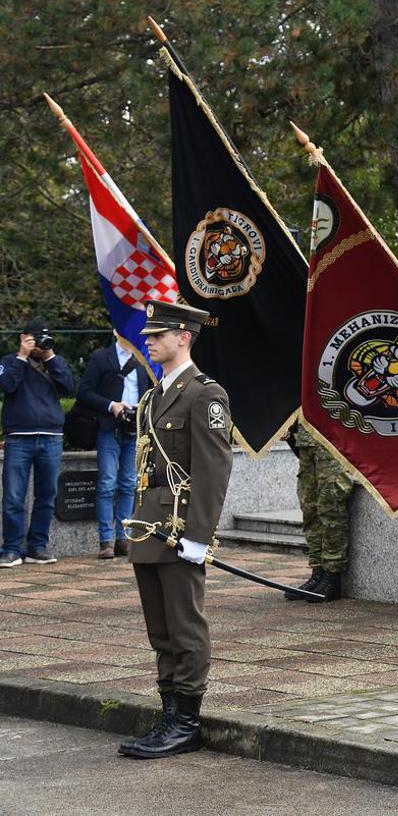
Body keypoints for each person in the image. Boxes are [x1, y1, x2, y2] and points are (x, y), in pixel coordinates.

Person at [116, 300, 232, 759]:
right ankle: (169, 715)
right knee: (160, 629)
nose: (149, 340)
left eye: (157, 334)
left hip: (180, 528)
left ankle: (185, 723)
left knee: (185, 626)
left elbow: (213, 469)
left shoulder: (205, 394)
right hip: (148, 527)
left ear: (184, 336)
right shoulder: (152, 397)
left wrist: (199, 535)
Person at [0, 319, 76, 567]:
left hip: (51, 437)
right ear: (23, 337)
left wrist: (51, 356)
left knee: (47, 495)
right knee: (13, 496)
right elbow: (7, 386)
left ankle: (36, 547)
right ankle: (11, 548)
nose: (40, 344)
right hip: (18, 437)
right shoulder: (9, 362)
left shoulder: (55, 362)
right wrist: (22, 356)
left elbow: (68, 387)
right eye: (35, 339)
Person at [78, 333, 153, 559]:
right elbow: (84, 392)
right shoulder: (102, 357)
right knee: (107, 482)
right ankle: (106, 541)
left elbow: (153, 391)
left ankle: (124, 538)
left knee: (130, 483)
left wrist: (141, 409)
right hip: (109, 427)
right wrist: (112, 405)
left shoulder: (144, 358)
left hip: (134, 427)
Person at [285, 421, 353, 602]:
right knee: (310, 510)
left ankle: (332, 576)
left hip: (332, 438)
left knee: (331, 507)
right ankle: (317, 571)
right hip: (306, 440)